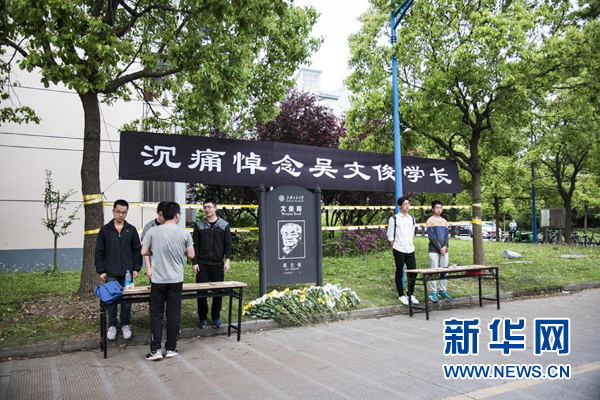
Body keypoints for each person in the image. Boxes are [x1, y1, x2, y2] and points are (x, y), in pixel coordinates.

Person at [141, 202, 194, 361]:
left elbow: (143, 251)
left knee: (156, 314)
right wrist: (181, 251)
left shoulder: (152, 231)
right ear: (177, 215)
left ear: (162, 215)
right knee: (174, 313)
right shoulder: (184, 233)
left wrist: (155, 252)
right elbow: (191, 254)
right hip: (176, 279)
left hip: (158, 280)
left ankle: (155, 349)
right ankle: (171, 348)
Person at [95, 199, 142, 341]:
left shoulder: (131, 230)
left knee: (127, 300)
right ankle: (112, 325)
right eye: (118, 212)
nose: (120, 215)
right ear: (113, 211)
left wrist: (136, 268)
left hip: (127, 273)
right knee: (111, 299)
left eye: (124, 212)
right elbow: (99, 251)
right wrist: (101, 270)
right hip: (110, 272)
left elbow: (137, 250)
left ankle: (125, 324)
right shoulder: (105, 230)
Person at [192, 198, 232, 329]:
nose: (207, 209)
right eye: (204, 207)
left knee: (217, 292)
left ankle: (216, 317)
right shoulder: (199, 225)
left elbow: (228, 245)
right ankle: (202, 317)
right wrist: (194, 262)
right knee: (201, 292)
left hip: (217, 264)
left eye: (209, 207)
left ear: (215, 208)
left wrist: (227, 261)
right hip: (202, 264)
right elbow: (195, 246)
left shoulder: (224, 225)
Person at [387, 196, 419, 306]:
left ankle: (411, 293)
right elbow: (390, 236)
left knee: (413, 272)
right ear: (400, 206)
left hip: (410, 248)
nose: (407, 206)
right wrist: (394, 246)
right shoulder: (394, 219)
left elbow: (412, 233)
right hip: (399, 248)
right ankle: (401, 294)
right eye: (405, 204)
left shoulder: (412, 218)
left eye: (408, 204)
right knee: (399, 272)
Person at [426, 200, 453, 303]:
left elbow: (447, 236)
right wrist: (439, 248)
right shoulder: (430, 221)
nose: (439, 209)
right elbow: (431, 237)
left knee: (444, 270)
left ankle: (443, 290)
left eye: (440, 208)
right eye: (437, 207)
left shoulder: (444, 221)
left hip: (444, 250)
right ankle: (433, 292)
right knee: (433, 271)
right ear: (433, 209)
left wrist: (445, 246)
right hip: (434, 250)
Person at [141, 202, 166, 271]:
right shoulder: (149, 227)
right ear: (157, 213)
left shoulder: (170, 226)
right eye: (161, 215)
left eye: (165, 215)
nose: (163, 218)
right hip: (153, 264)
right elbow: (145, 248)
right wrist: (148, 268)